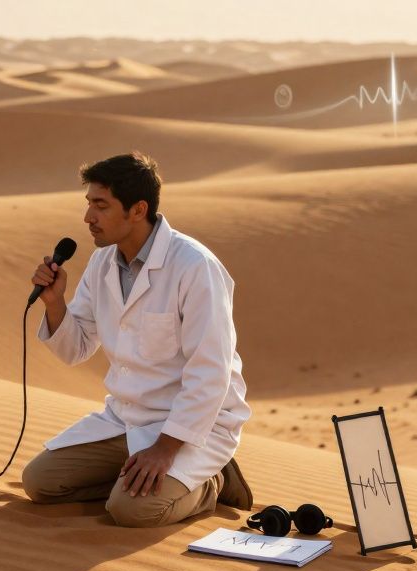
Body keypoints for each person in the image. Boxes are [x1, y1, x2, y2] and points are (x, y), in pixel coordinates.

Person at [21, 151, 253, 528]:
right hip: (125, 419)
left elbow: (211, 374)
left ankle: (214, 480)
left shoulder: (195, 267)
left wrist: (165, 449)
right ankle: (133, 478)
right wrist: (54, 304)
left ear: (137, 209)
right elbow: (76, 348)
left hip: (189, 427)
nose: (88, 218)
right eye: (88, 204)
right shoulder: (102, 263)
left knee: (132, 511)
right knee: (40, 484)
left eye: (101, 205)